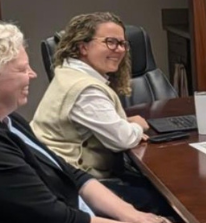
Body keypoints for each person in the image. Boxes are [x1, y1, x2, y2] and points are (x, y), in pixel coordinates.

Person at [0, 19, 206, 223]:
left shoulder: (9, 121)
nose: (33, 74)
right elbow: (61, 221)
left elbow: (73, 176)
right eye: (22, 69)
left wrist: (134, 215)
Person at [30, 12, 149, 177]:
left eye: (122, 43)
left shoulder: (67, 72)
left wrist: (125, 123)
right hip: (78, 183)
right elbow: (123, 139)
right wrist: (138, 126)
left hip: (60, 175)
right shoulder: (86, 90)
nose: (120, 50)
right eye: (111, 42)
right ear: (83, 47)